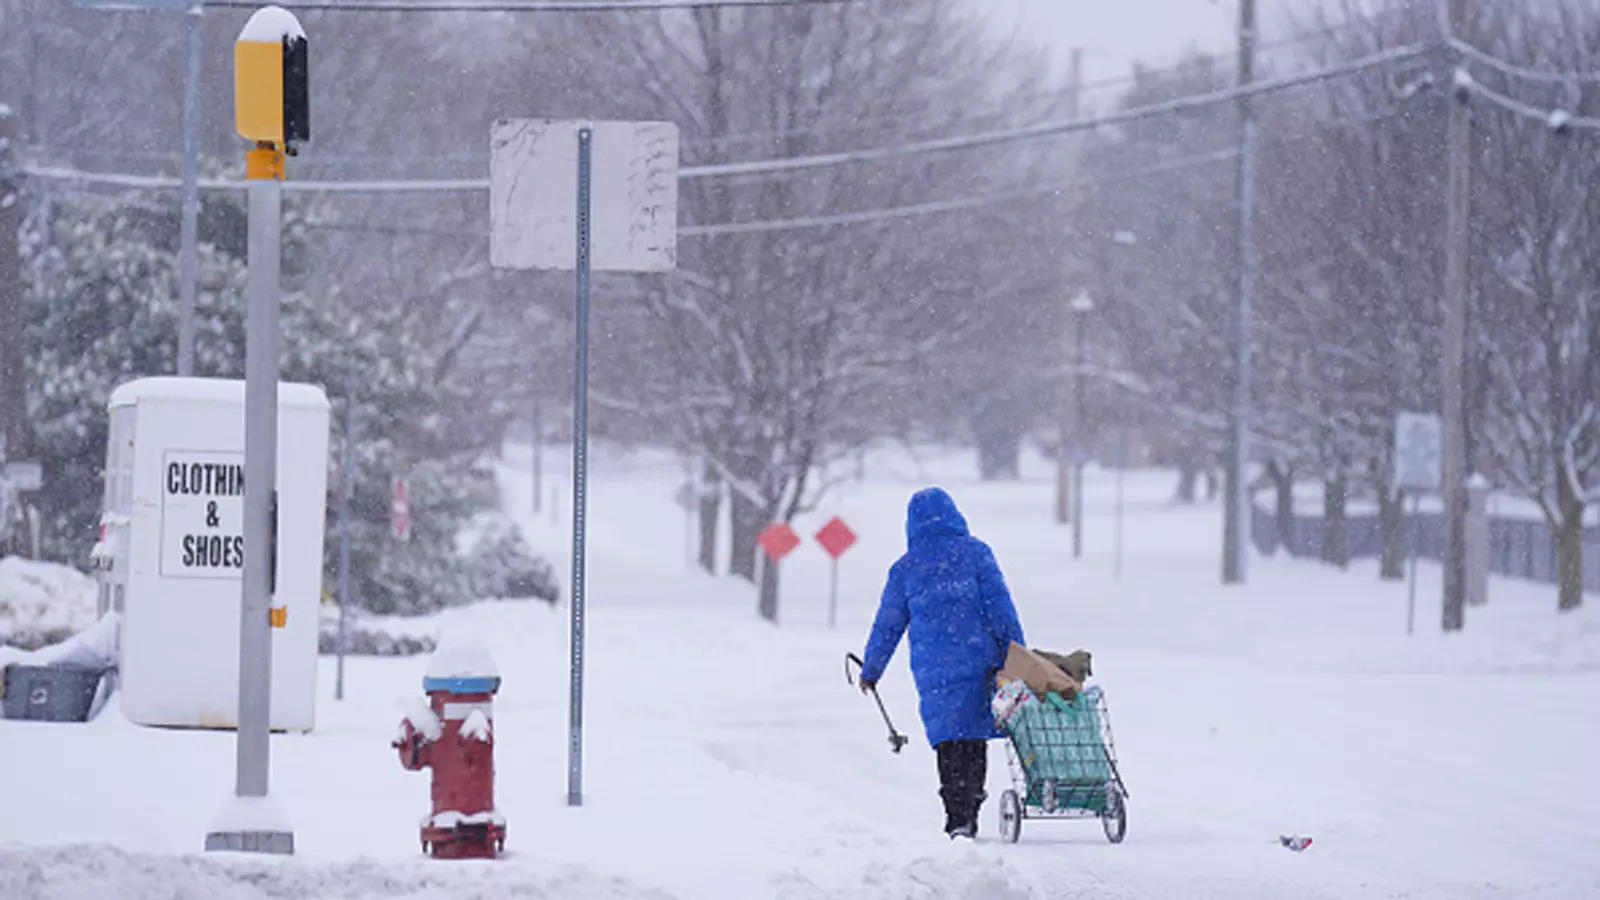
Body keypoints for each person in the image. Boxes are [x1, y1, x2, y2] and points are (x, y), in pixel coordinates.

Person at [857, 487, 1025, 839]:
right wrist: (1017, 655)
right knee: (974, 736)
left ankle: (956, 814)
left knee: (949, 739)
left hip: (935, 671)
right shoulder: (977, 554)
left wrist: (871, 670)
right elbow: (1001, 608)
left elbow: (887, 625)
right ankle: (972, 802)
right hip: (980, 661)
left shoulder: (905, 569)